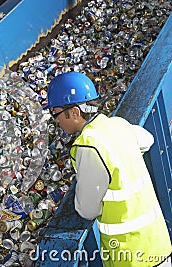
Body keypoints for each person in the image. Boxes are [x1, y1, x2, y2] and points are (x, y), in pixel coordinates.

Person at [44, 71, 172, 267]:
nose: (56, 121)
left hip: (131, 255)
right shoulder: (118, 126)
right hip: (157, 244)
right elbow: (147, 140)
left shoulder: (89, 146)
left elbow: (87, 210)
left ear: (75, 112)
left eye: (57, 114)